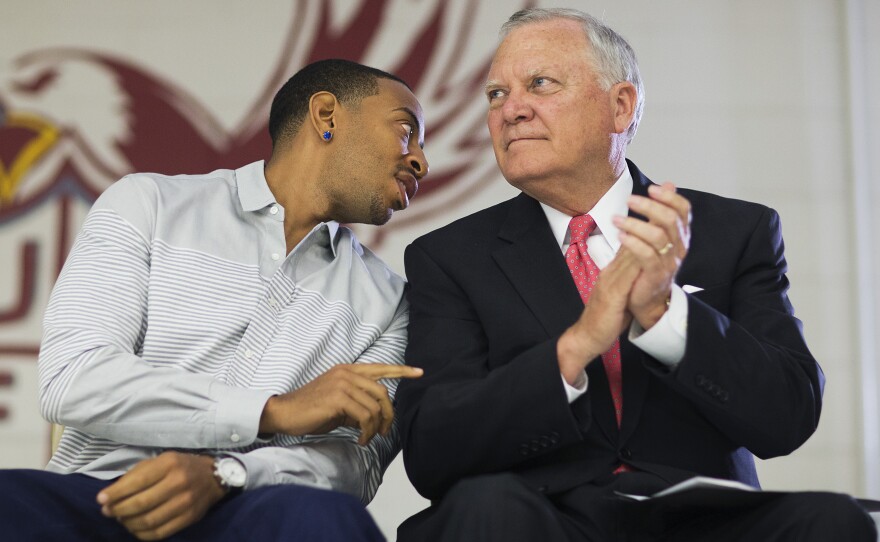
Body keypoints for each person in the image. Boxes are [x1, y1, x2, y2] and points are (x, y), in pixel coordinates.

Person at [395, 8, 876, 542]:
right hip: (542, 519)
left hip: (700, 521)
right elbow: (432, 450)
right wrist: (574, 348)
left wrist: (665, 315)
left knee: (834, 522)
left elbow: (788, 415)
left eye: (539, 84)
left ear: (620, 106)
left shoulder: (730, 231)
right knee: (485, 509)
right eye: (496, 95)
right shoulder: (449, 257)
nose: (512, 111)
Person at [0, 58, 428, 541]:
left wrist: (226, 475)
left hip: (248, 511)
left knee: (324, 520)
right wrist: (271, 411)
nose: (421, 161)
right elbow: (73, 377)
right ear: (326, 115)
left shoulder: (391, 303)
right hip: (95, 499)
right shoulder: (148, 204)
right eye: (405, 131)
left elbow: (356, 464)